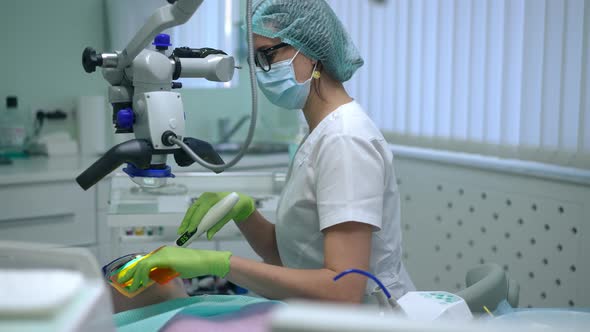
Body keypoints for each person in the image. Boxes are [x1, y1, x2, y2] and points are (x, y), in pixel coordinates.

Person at [119, 0, 415, 304]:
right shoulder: (321, 132)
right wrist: (245, 214)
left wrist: (219, 263)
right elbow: (293, 257)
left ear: (313, 52)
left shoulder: (345, 140)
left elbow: (344, 288)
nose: (261, 70)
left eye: (268, 54)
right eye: (255, 59)